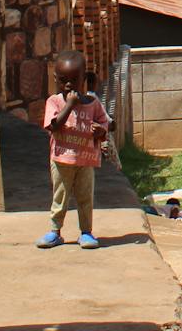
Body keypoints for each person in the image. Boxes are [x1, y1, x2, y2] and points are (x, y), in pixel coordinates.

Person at [37, 49, 109, 250]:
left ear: (83, 78)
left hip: (85, 161)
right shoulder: (54, 102)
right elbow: (54, 126)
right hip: (61, 161)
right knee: (60, 197)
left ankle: (86, 232)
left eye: (74, 79)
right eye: (63, 80)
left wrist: (99, 131)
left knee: (85, 198)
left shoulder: (93, 104)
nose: (68, 84)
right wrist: (69, 105)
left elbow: (107, 124)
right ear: (55, 79)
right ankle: (55, 231)